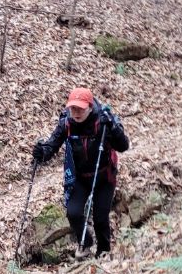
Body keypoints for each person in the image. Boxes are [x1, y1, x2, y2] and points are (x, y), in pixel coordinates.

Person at [32, 87, 129, 257]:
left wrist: (113, 127)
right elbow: (52, 146)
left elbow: (123, 146)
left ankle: (104, 251)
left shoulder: (104, 121)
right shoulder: (66, 123)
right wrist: (42, 152)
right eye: (73, 108)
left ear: (90, 107)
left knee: (100, 218)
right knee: (73, 212)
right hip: (80, 177)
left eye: (80, 108)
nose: (76, 112)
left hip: (104, 176)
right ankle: (85, 243)